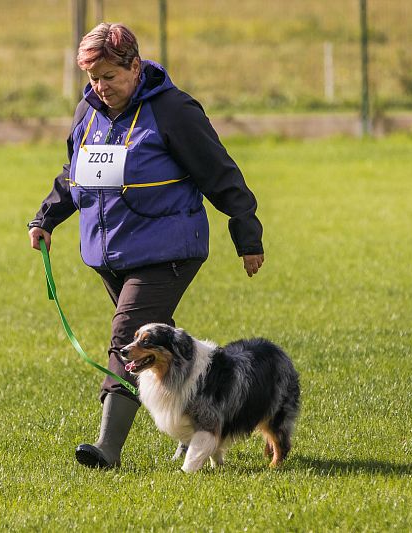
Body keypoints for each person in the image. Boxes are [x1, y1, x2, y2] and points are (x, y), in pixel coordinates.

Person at [27, 22, 264, 469]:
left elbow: (220, 172)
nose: (101, 87)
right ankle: (197, 424)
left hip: (168, 250)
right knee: (158, 344)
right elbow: (73, 172)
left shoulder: (173, 110)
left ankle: (107, 450)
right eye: (93, 78)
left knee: (125, 339)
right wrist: (47, 218)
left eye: (110, 77)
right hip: (110, 254)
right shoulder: (88, 111)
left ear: (135, 67)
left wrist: (246, 232)